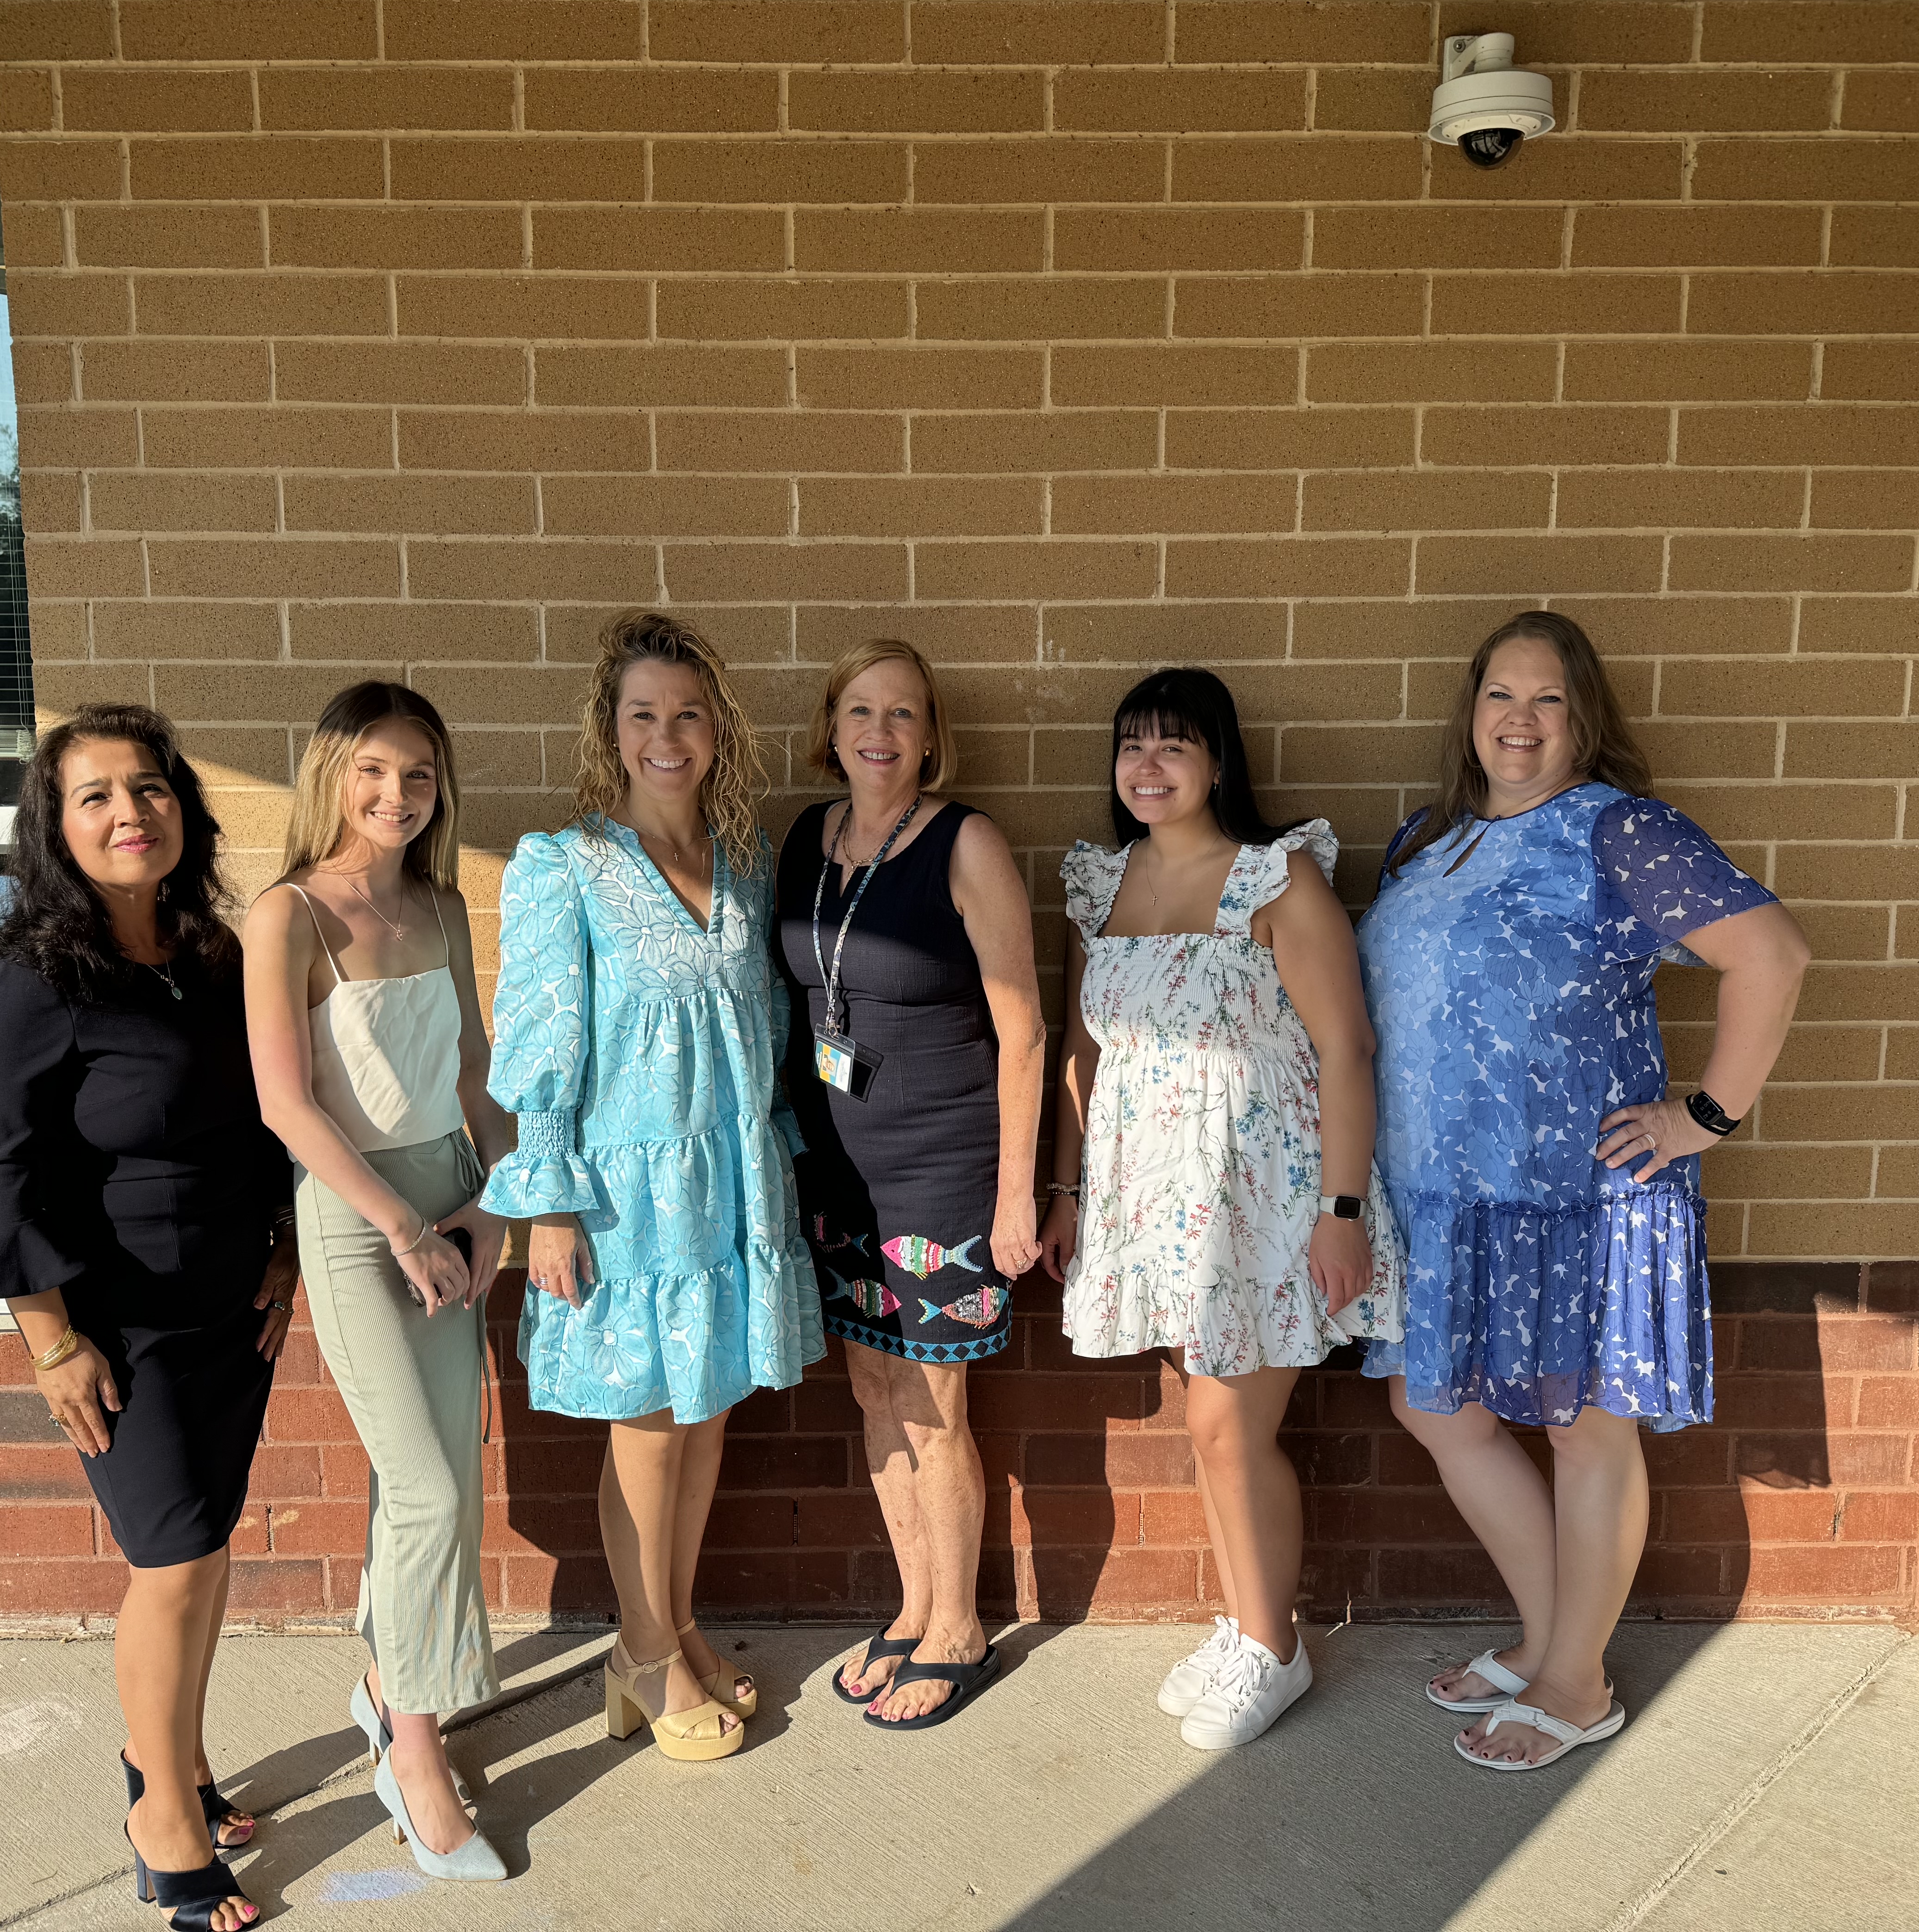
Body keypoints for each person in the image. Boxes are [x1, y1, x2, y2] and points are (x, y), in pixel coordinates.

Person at [1358, 610, 1810, 1772]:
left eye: (1547, 699)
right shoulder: (1428, 838)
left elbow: (1771, 954)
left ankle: (1576, 1680)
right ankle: (1553, 1632)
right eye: (1501, 695)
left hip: (1579, 1194)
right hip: (1445, 1195)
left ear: (1583, 718)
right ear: (1471, 713)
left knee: (1584, 1430)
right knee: (1434, 1405)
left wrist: (1703, 1117)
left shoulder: (1619, 831)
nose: (1520, 720)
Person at [0, 705, 291, 1932]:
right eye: (93, 796)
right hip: (118, 1329)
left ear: (182, 810)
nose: (125, 813)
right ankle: (161, 1815)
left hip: (229, 1314)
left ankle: (182, 1756)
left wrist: (289, 1246)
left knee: (204, 1552)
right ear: (55, 828)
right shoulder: (28, 988)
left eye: (146, 789)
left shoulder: (211, 958)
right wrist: (48, 1339)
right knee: (173, 1559)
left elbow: (271, 1121)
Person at [1039, 668, 1403, 1752]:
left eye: (1174, 746)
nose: (1148, 768)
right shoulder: (1100, 886)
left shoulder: (1275, 878)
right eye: (1131, 747)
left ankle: (1275, 1648)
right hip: (1158, 1204)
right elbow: (1081, 1052)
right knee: (1213, 1430)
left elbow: (1348, 1047)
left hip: (1269, 1197)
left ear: (1217, 762)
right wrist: (1066, 1192)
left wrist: (1341, 1209)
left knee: (1225, 1427)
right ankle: (1248, 1625)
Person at [485, 610, 823, 1764]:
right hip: (624, 1196)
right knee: (647, 1425)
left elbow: (768, 1030)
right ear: (611, 730)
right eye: (644, 716)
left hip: (729, 1184)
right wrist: (549, 1205)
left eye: (688, 714)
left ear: (716, 730)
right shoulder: (564, 866)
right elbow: (540, 1040)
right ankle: (637, 1648)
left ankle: (672, 1627)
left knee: (710, 1411)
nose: (667, 736)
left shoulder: (747, 864)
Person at [241, 682, 510, 1881]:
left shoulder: (444, 904)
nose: (397, 796)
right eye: (373, 772)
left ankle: (380, 1678)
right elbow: (285, 1104)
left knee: (444, 1479)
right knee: (425, 1495)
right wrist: (406, 1226)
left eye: (418, 774)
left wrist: (495, 1205)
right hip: (362, 1224)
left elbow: (475, 1075)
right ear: (331, 776)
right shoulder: (287, 914)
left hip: (454, 1202)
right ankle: (415, 1752)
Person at [776, 640, 1043, 1728]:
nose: (879, 732)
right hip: (842, 1173)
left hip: (947, 1174)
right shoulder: (808, 838)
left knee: (935, 1408)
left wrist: (1019, 1194)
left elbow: (1024, 1030)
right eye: (858, 710)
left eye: (902, 713)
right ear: (831, 728)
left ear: (931, 735)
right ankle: (913, 1605)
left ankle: (963, 1628)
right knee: (873, 1392)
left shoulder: (966, 843)